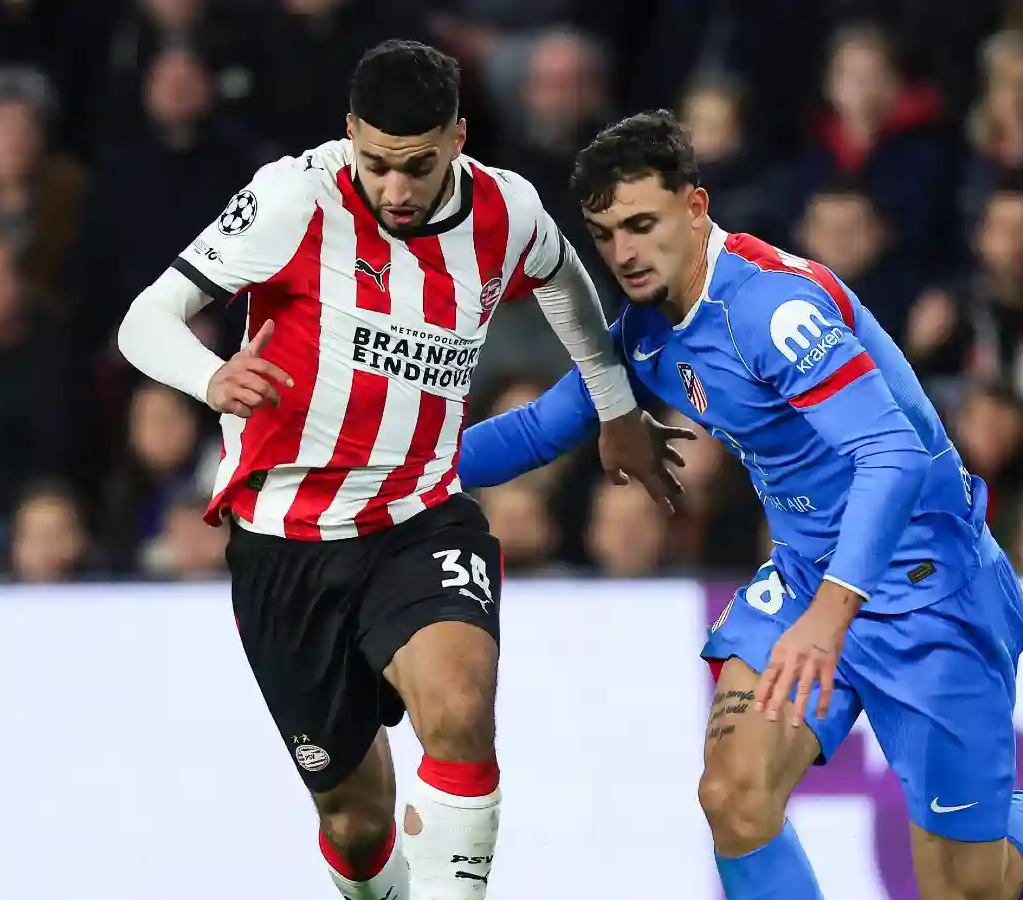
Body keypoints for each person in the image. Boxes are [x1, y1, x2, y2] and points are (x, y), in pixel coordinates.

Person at [456, 110, 1023, 900]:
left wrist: (830, 616)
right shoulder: (650, 327)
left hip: (928, 589)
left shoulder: (772, 312)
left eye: (642, 225)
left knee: (969, 886)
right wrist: (388, 469)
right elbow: (546, 424)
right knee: (733, 797)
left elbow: (892, 457)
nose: (623, 253)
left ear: (695, 207)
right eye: (606, 234)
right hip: (805, 577)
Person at [116, 39, 673, 900]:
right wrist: (209, 376)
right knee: (355, 816)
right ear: (349, 136)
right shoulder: (293, 197)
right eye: (377, 165)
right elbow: (144, 321)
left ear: (458, 136)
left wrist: (615, 404)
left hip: (419, 515)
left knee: (458, 706)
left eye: (417, 167)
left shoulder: (506, 210)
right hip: (286, 543)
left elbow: (566, 284)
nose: (396, 190)